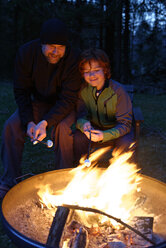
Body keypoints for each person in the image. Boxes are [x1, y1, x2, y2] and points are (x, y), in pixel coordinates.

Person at [0, 18, 82, 199]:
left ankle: (64, 183)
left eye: (60, 47)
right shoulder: (26, 54)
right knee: (11, 127)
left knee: (63, 130)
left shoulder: (74, 59)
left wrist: (45, 123)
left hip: (65, 104)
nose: (55, 51)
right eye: (51, 45)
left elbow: (69, 98)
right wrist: (29, 120)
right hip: (38, 102)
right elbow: (21, 91)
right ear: (41, 43)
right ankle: (9, 181)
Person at [73, 48, 135, 166]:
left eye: (96, 70)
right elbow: (80, 115)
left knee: (126, 141)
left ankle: (121, 173)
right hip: (94, 130)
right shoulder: (83, 90)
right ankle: (81, 169)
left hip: (117, 132)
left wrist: (104, 135)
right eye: (87, 71)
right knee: (78, 137)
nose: (91, 75)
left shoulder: (118, 91)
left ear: (105, 70)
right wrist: (83, 125)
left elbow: (125, 124)